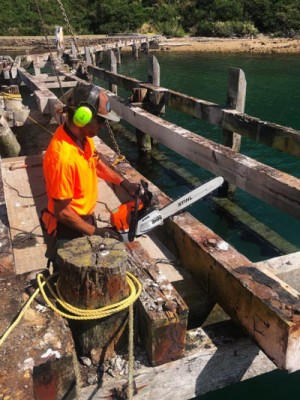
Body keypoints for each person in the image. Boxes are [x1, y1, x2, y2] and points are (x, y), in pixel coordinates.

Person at [41, 83, 139, 261]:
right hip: (68, 227)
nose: (103, 125)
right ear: (83, 118)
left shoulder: (83, 138)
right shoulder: (63, 157)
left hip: (86, 218)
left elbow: (96, 161)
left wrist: (124, 183)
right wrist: (96, 232)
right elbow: (62, 212)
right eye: (101, 120)